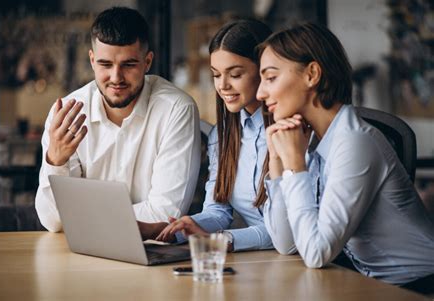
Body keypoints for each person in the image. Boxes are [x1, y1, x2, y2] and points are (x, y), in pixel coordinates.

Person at [257, 22, 434, 288]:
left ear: (312, 74)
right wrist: (278, 162)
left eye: (270, 78)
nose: (260, 93)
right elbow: (287, 244)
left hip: (419, 287)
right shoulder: (311, 139)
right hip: (375, 285)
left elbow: (316, 253)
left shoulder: (355, 142)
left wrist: (294, 164)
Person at [35, 7, 201, 237]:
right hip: (80, 255)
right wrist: (56, 160)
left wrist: (80, 218)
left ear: (148, 61)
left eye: (129, 65)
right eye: (105, 64)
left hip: (151, 257)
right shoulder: (65, 114)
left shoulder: (176, 109)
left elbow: (164, 215)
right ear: (92, 61)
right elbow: (53, 221)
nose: (116, 78)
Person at [154, 19, 274, 252]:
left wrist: (224, 240)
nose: (223, 86)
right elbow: (218, 211)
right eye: (216, 75)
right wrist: (179, 229)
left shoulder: (291, 132)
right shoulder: (223, 135)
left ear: (265, 71)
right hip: (261, 262)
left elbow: (288, 233)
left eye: (235, 74)